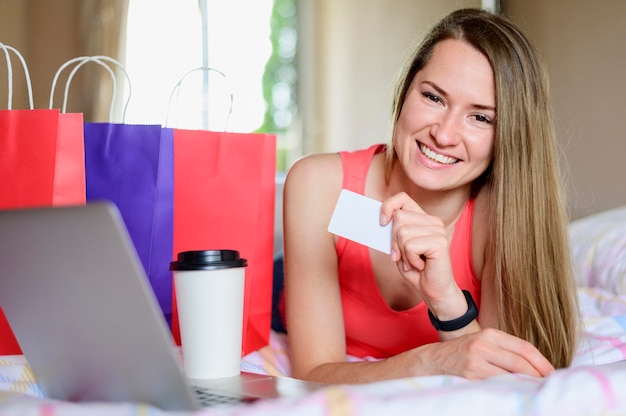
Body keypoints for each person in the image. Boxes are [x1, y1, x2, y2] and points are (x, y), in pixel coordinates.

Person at [280, 8, 580, 384]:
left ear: (508, 138)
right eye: (434, 98)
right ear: (406, 91)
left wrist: (447, 300)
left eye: (481, 117)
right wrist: (430, 360)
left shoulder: (502, 213)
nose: (444, 133)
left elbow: (506, 378)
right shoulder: (318, 185)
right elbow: (312, 374)